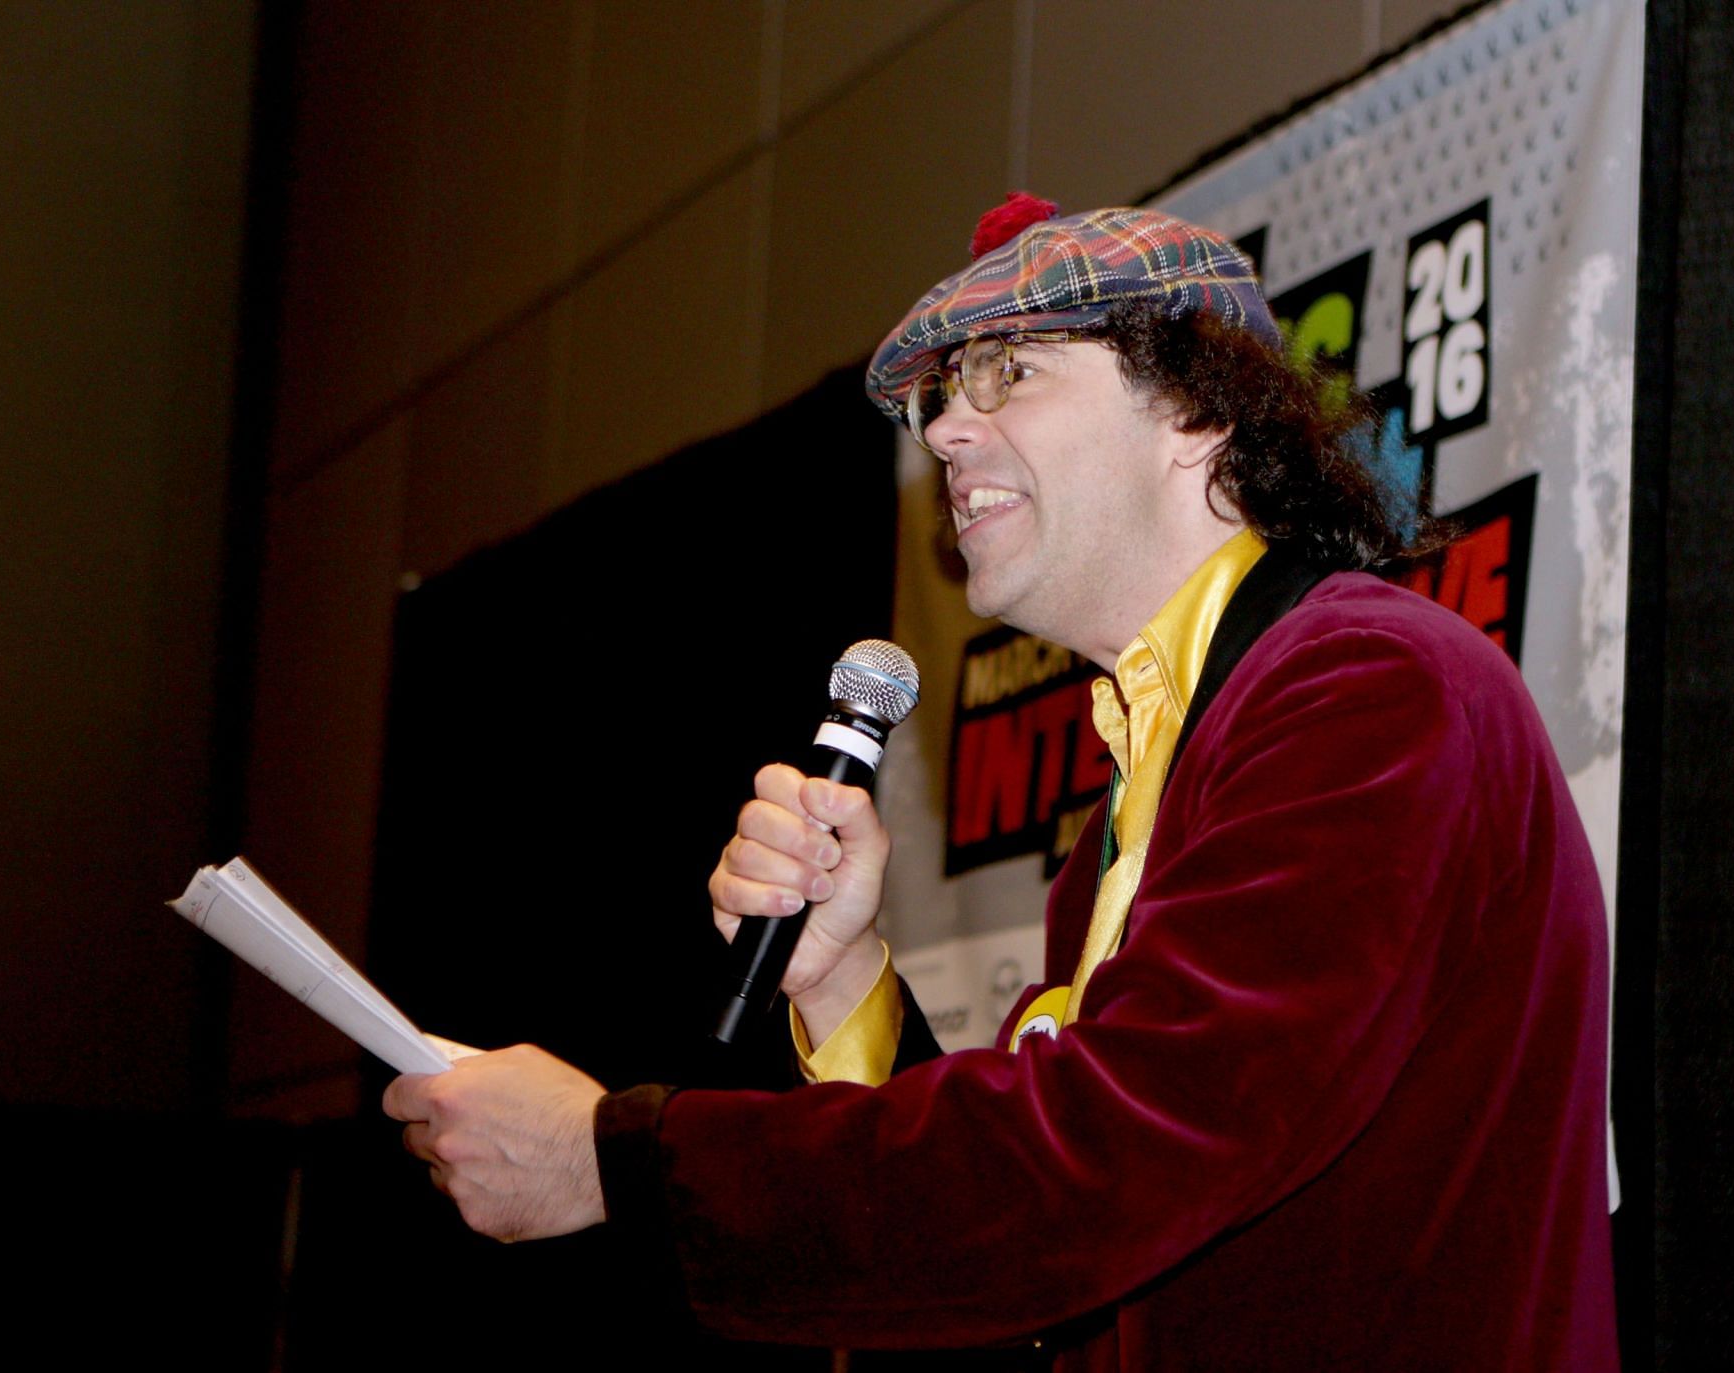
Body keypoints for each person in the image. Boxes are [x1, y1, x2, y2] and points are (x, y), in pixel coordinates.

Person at [384, 195, 1619, 1370]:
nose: (944, 431)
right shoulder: (1138, 804)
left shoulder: (1371, 690)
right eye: (946, 393)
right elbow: (1045, 1234)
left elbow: (1105, 1165)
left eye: (1011, 374)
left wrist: (619, 1162)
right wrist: (844, 976)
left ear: (1198, 411)